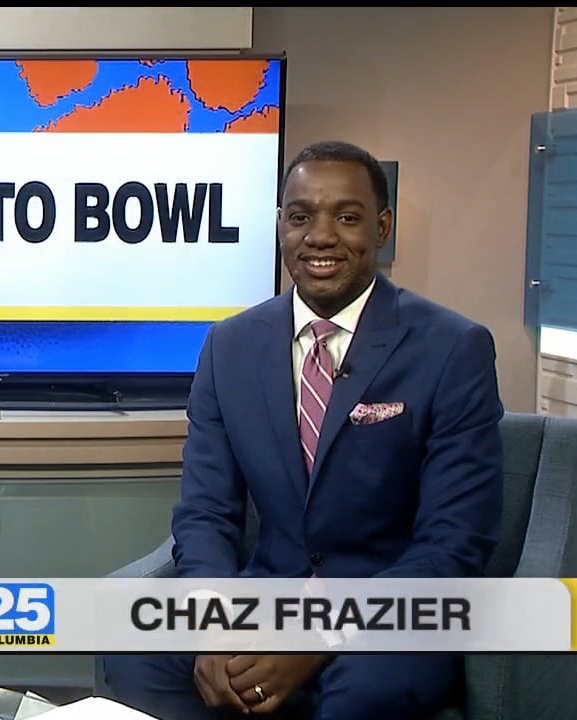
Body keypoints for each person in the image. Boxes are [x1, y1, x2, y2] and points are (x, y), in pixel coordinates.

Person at [103, 140, 504, 719]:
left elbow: (454, 542)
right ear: (281, 227)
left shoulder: (452, 348)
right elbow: (206, 513)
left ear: (382, 227)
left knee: (363, 693)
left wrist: (316, 636)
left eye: (347, 217)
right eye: (300, 217)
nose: (320, 236)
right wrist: (213, 623)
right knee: (135, 649)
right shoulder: (229, 346)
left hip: (388, 614)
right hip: (264, 599)